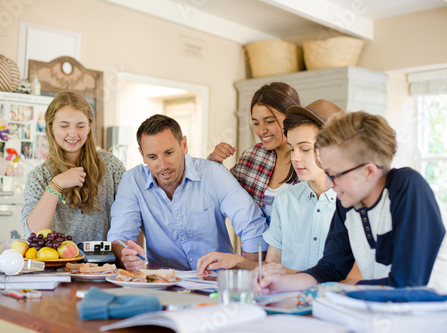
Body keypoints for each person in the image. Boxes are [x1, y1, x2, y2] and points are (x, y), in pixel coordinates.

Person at [256, 111, 447, 295]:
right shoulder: (347, 200)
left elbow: (407, 284)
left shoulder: (408, 187)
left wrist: (337, 290)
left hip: (436, 319)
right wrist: (281, 283)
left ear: (369, 171)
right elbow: (330, 268)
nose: (329, 183)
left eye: (334, 174)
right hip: (385, 313)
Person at [197, 99, 344, 275]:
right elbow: (272, 267)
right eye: (291, 149)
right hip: (288, 300)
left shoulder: (353, 204)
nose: (295, 158)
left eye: (304, 149)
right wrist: (236, 261)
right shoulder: (286, 200)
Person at [108, 114, 269, 271]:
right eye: (152, 157)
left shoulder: (213, 174)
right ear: (142, 155)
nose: (163, 165)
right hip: (164, 284)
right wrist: (125, 255)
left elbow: (251, 225)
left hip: (216, 282)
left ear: (184, 145)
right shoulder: (132, 181)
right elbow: (118, 237)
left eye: (169, 153)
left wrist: (251, 275)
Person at [21, 91, 126, 244]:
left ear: (89, 127)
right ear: (51, 128)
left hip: (104, 265)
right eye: (64, 126)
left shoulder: (111, 166)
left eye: (80, 126)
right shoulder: (39, 176)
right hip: (55, 265)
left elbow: (131, 215)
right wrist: (56, 184)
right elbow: (35, 231)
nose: (72, 133)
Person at [208, 82, 300, 223]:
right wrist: (214, 161)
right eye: (256, 123)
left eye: (269, 121)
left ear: (291, 116)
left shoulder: (311, 160)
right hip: (254, 245)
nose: (261, 131)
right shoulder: (252, 157)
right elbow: (217, 195)